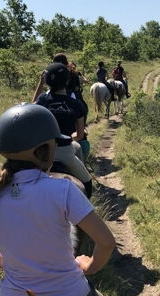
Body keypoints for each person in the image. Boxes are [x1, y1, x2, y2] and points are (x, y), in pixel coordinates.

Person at [0, 104, 119, 296]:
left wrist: (14, 255)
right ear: (43, 151)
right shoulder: (64, 190)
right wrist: (90, 266)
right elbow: (106, 242)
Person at [33, 63, 93, 198]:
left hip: (41, 153)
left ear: (47, 81)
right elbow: (80, 135)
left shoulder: (42, 99)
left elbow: (31, 111)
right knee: (87, 181)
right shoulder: (76, 105)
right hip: (65, 151)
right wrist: (69, 137)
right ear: (67, 81)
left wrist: (40, 84)